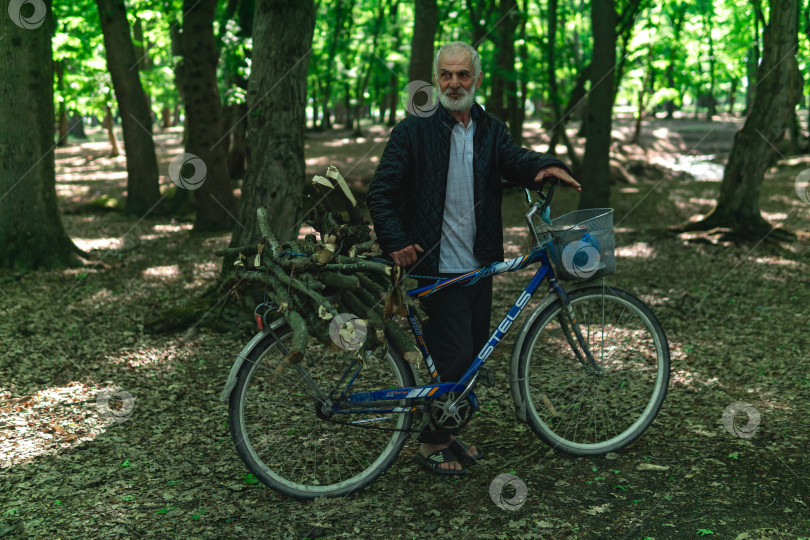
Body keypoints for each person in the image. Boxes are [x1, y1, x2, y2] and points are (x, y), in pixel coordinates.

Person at [367, 41, 581, 475]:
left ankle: (446, 432)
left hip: (478, 263)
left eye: (463, 75)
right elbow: (381, 191)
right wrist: (395, 240)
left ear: (477, 80)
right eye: (446, 74)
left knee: (466, 362)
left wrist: (543, 166)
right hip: (434, 264)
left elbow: (513, 158)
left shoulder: (488, 128)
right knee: (455, 356)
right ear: (436, 78)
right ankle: (430, 445)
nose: (454, 82)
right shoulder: (414, 129)